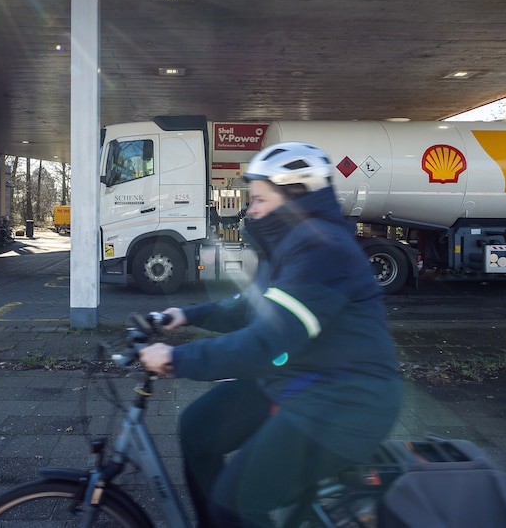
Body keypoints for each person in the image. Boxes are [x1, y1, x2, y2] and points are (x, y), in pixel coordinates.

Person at [138, 141, 403, 527]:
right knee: (197, 430)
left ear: (294, 197)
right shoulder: (290, 245)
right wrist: (180, 314)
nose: (251, 210)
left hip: (345, 401)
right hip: (298, 380)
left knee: (237, 499)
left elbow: (266, 342)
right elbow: (250, 308)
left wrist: (177, 359)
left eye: (260, 199)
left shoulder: (322, 251)